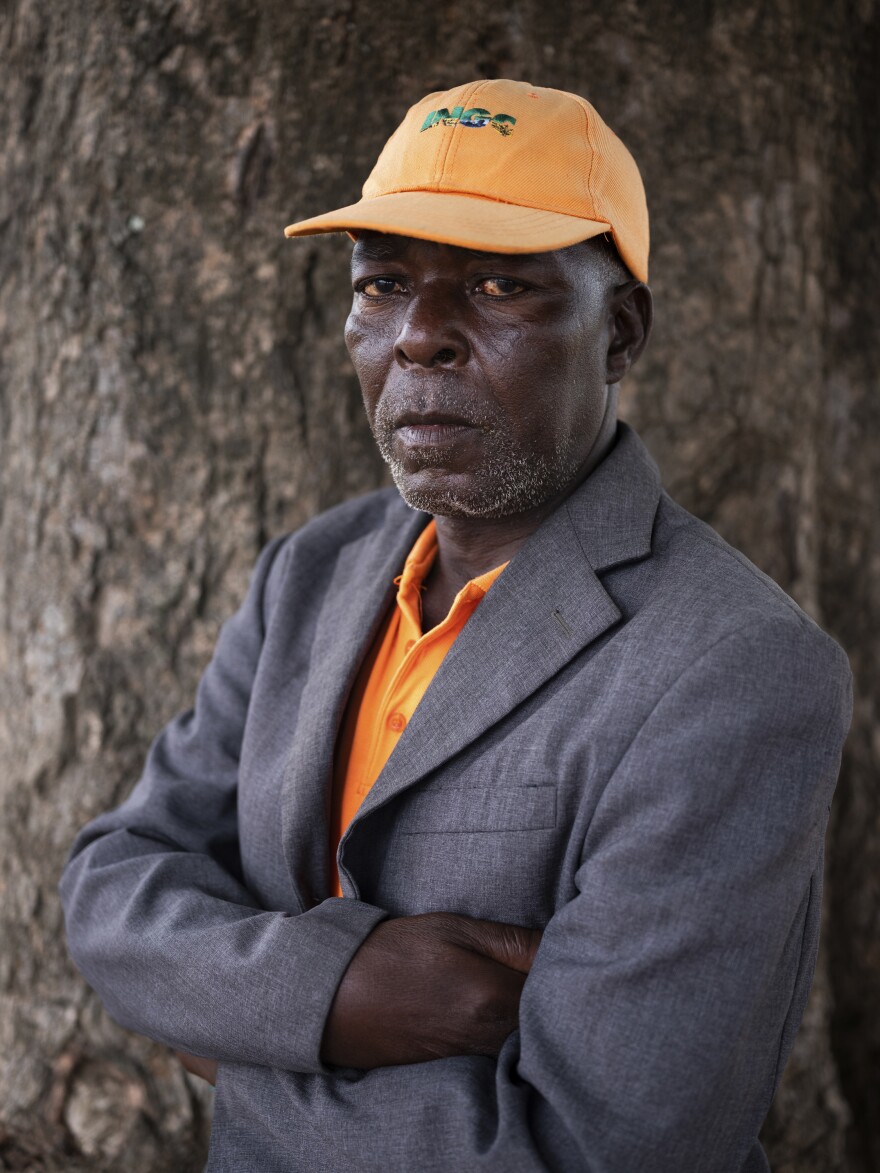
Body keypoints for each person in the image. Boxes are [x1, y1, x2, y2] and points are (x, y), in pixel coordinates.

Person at [60, 80, 852, 1172]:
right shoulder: (316, 571)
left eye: (496, 287)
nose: (420, 337)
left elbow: (603, 1146)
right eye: (383, 283)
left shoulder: (734, 669)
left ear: (618, 333)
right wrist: (332, 992)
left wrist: (228, 1046)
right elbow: (116, 878)